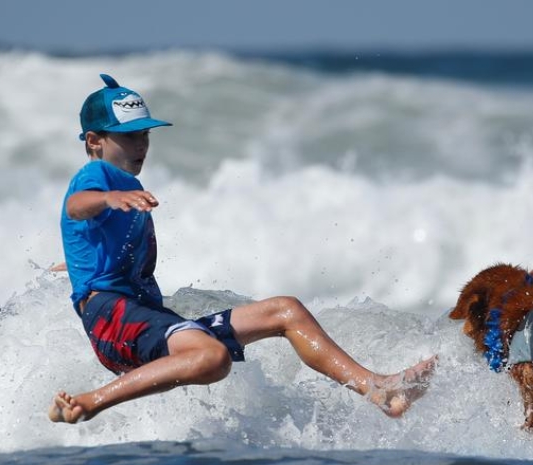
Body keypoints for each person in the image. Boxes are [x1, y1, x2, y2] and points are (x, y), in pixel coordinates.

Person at [49, 74, 436, 424]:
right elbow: (76, 205)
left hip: (142, 318)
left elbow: (91, 236)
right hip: (113, 319)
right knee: (212, 359)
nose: (142, 145)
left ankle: (378, 390)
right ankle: (89, 403)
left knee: (286, 311)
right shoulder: (98, 178)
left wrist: (75, 259)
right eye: (129, 136)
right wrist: (110, 197)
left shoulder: (122, 190)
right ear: (95, 141)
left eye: (145, 135)